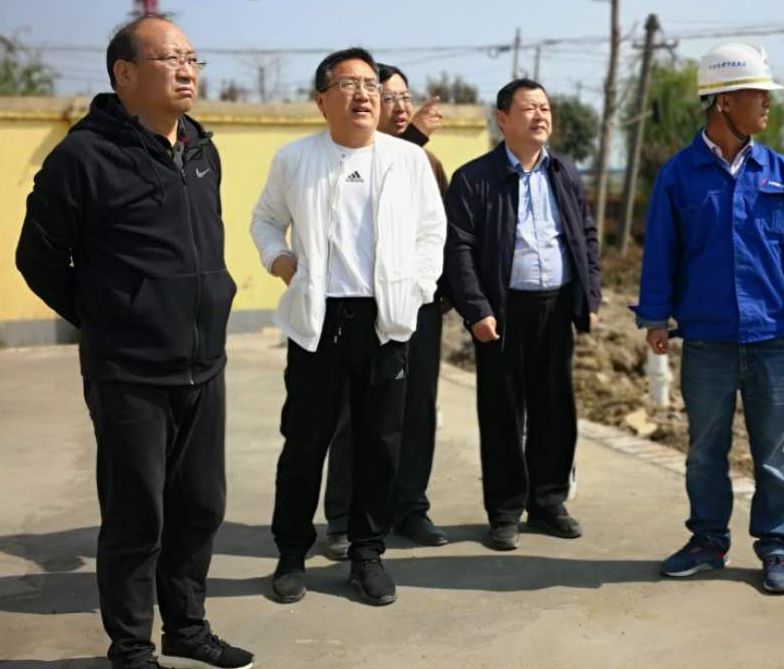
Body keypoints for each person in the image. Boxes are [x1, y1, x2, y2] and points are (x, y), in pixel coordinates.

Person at [15, 15, 253, 669]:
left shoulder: (200, 148)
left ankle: (186, 631)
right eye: (170, 58)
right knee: (135, 518)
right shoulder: (83, 157)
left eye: (192, 58)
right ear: (124, 75)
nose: (187, 70)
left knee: (200, 505)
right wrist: (111, 317)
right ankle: (130, 657)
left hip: (203, 363)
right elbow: (38, 258)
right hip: (129, 373)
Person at [633, 42, 784, 595]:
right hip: (707, 339)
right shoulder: (679, 176)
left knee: (775, 451)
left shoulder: (783, 174)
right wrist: (655, 317)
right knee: (705, 450)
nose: (768, 104)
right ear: (724, 102)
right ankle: (707, 541)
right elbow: (662, 252)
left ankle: (776, 546)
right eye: (758, 94)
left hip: (771, 335)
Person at [250, 47, 446, 606]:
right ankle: (291, 554)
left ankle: (367, 554)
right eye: (349, 84)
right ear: (322, 101)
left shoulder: (407, 160)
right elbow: (265, 220)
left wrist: (416, 289)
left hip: (384, 322)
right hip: (318, 322)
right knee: (304, 443)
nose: (364, 95)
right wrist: (280, 262)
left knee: (379, 444)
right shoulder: (295, 158)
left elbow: (432, 233)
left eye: (370, 85)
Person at [445, 79, 601, 551]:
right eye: (529, 108)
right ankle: (505, 511)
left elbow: (586, 236)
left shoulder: (564, 172)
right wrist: (477, 309)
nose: (540, 116)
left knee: (555, 408)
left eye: (545, 108)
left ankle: (549, 502)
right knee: (502, 412)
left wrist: (590, 298)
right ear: (502, 119)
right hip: (502, 311)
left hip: (556, 306)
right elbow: (458, 249)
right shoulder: (474, 178)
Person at [321, 64, 450, 555]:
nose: (400, 107)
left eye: (404, 97)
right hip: (360, 307)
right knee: (353, 415)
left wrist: (433, 292)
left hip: (418, 306)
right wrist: (414, 135)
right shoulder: (346, 160)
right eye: (389, 97)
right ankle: (342, 516)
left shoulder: (425, 163)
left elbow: (437, 232)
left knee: (416, 409)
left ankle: (409, 506)